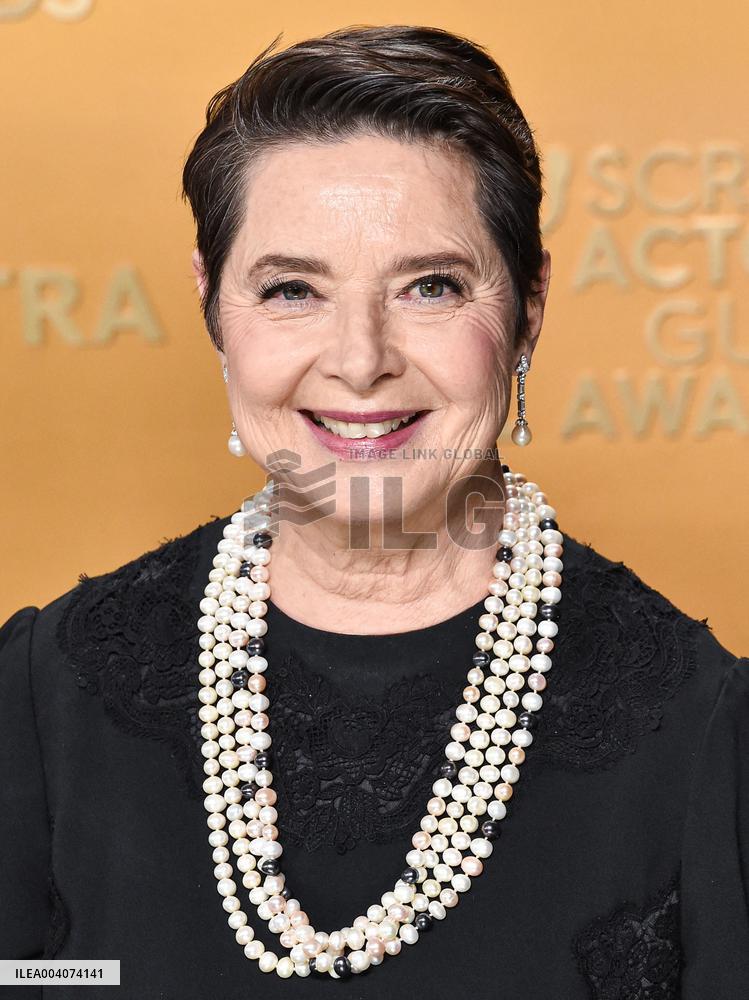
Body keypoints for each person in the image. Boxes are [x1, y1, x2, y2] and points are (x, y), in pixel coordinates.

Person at [1, 22, 747, 1000]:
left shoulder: (702, 730)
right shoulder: (39, 701)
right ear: (211, 307)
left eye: (430, 286)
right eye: (291, 288)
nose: (359, 359)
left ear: (527, 307)